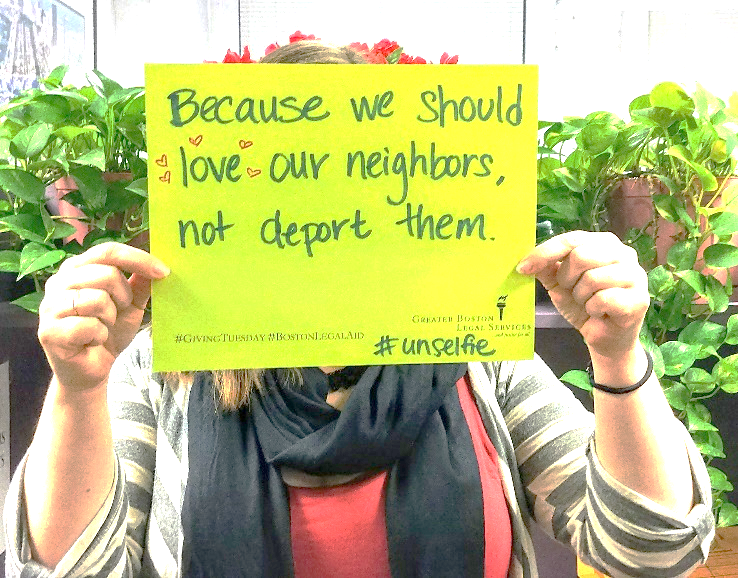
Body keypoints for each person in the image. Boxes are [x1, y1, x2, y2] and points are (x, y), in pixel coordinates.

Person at [4, 42, 714, 578]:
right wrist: (77, 388)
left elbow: (650, 550)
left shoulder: (475, 355)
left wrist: (619, 359)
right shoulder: (168, 370)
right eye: (289, 182)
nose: (326, 220)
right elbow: (64, 569)